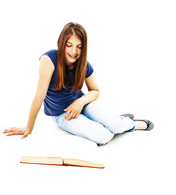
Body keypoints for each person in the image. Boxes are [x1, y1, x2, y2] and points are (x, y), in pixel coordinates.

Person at [3, 22, 154, 145]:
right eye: (69, 45)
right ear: (62, 43)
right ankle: (114, 121)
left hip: (83, 105)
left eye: (79, 46)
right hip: (62, 114)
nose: (73, 51)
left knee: (117, 126)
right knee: (104, 137)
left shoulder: (84, 64)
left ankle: (128, 123)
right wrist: (29, 127)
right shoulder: (48, 59)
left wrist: (80, 102)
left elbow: (95, 90)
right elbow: (40, 94)